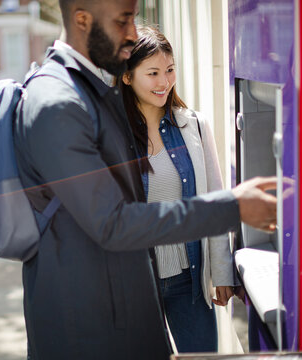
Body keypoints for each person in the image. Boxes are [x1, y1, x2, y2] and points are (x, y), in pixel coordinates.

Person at [13, 0, 276, 358]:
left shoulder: (90, 98)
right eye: (124, 20)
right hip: (88, 318)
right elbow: (111, 222)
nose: (133, 33)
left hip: (147, 290)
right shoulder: (59, 103)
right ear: (82, 20)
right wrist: (231, 206)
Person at [119, 25, 233, 353]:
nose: (164, 82)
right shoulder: (113, 135)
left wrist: (222, 272)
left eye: (170, 70)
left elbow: (214, 203)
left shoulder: (193, 125)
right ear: (127, 77)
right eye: (152, 73)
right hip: (137, 283)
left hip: (189, 280)